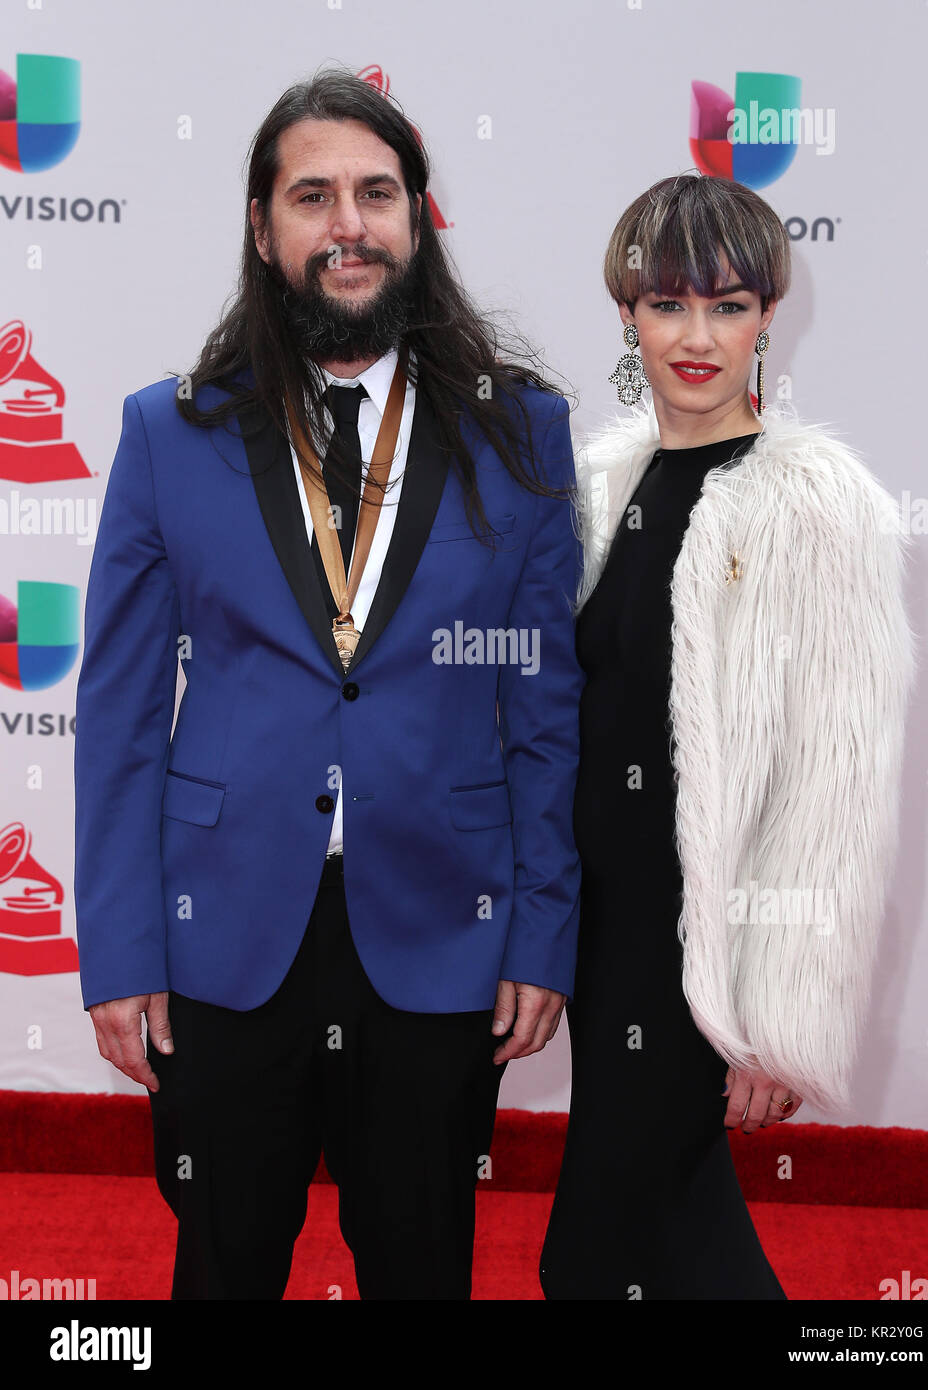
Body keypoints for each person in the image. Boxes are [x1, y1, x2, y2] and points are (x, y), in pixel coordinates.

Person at [73, 69, 583, 1301]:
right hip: (224, 936)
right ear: (263, 227)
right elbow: (123, 719)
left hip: (441, 932)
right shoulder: (168, 432)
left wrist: (541, 928)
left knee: (421, 1268)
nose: (347, 223)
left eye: (376, 192)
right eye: (313, 195)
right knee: (225, 1264)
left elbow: (546, 711)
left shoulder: (517, 431)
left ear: (417, 219)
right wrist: (122, 949)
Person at [540, 173, 914, 1300]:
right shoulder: (600, 487)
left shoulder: (818, 504)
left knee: (597, 1252)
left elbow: (837, 778)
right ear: (627, 317)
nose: (696, 336)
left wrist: (774, 1013)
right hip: (603, 938)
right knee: (671, 1231)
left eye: (729, 305)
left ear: (767, 319)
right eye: (666, 305)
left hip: (709, 955)